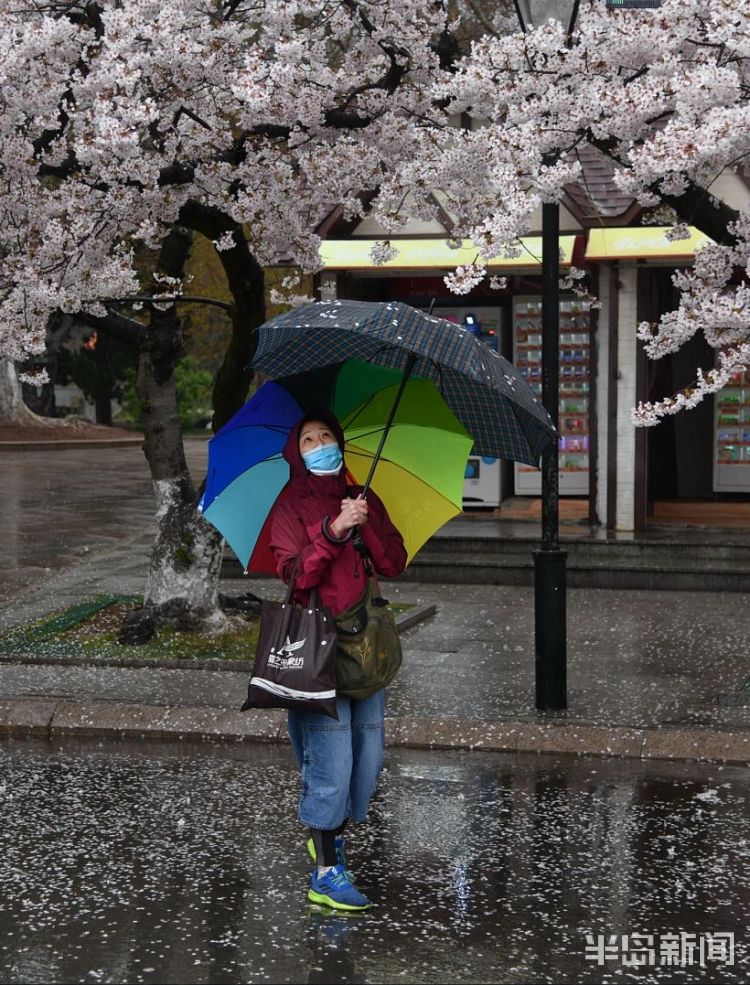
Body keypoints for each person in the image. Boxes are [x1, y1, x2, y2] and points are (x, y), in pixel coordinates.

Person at [268, 409, 407, 911]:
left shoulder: (364, 497)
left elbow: (395, 562)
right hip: (316, 648)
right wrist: (333, 529)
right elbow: (293, 576)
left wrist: (364, 524)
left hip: (366, 646)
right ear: (296, 452)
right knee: (332, 762)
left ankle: (327, 834)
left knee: (366, 766)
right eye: (309, 438)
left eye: (327, 435)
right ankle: (325, 870)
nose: (321, 443)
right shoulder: (288, 504)